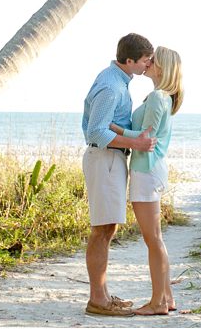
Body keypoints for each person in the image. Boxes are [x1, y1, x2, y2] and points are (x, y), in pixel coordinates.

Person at [81, 33, 157, 317]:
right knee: (102, 229)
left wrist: (136, 136)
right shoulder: (112, 86)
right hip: (104, 159)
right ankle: (97, 300)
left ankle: (102, 294)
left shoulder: (117, 81)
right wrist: (136, 143)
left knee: (107, 228)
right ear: (129, 61)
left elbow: (110, 123)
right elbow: (97, 132)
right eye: (145, 60)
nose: (148, 64)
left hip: (110, 160)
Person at [109, 46, 184, 316]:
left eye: (153, 60)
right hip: (151, 169)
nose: (148, 62)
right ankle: (167, 297)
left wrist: (115, 128)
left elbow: (145, 138)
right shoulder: (163, 97)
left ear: (161, 67)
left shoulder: (156, 97)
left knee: (152, 239)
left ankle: (158, 303)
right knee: (156, 238)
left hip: (146, 168)